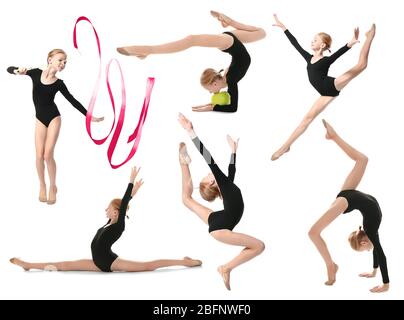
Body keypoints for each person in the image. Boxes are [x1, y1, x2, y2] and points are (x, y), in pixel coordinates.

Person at [10, 167, 202, 273]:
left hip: (110, 263)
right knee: (62, 265)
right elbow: (124, 203)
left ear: (116, 212)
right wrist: (132, 195)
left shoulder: (119, 224)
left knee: (147, 266)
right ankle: (28, 265)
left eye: (108, 208)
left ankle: (186, 262)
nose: (105, 210)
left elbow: (123, 202)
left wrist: (130, 182)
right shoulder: (108, 224)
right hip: (96, 262)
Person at [178, 113, 265, 290]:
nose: (210, 174)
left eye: (208, 174)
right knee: (259, 246)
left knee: (187, 200)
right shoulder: (223, 184)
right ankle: (226, 268)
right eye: (208, 176)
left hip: (218, 219)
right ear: (211, 182)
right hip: (220, 227)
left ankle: (183, 163)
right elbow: (208, 157)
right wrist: (191, 132)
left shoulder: (227, 186)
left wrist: (234, 151)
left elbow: (231, 170)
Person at [271, 14, 376, 160]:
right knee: (306, 120)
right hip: (325, 94)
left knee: (361, 65)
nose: (311, 41)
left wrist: (351, 43)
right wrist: (284, 28)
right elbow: (295, 44)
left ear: (322, 45)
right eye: (312, 39)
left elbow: (339, 53)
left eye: (315, 40)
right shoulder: (308, 58)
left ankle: (370, 36)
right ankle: (285, 147)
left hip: (332, 85)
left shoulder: (326, 60)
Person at [117, 11, 266, 113]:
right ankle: (148, 49)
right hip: (229, 43)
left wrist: (211, 106)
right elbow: (233, 108)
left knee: (261, 33)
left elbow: (230, 104)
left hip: (230, 41)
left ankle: (230, 21)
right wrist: (211, 108)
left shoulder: (226, 76)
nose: (211, 93)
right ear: (214, 84)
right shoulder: (231, 80)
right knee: (191, 40)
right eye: (209, 90)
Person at [7, 49, 104, 204]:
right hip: (40, 119)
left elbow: (73, 101)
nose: (63, 64)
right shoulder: (34, 73)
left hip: (54, 118)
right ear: (50, 59)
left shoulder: (59, 83)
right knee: (38, 155)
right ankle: (42, 185)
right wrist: (18, 70)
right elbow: (9, 69)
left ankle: (53, 186)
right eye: (60, 60)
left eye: (65, 62)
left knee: (47, 155)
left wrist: (89, 115)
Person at [308, 120, 389, 293]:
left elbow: (378, 252)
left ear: (364, 241)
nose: (368, 250)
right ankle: (333, 136)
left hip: (348, 198)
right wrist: (380, 278)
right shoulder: (371, 230)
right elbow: (379, 252)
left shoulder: (371, 229)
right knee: (363, 160)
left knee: (313, 232)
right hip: (348, 195)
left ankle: (331, 265)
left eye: (364, 249)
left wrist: (381, 279)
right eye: (365, 250)